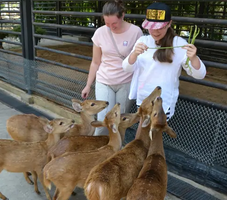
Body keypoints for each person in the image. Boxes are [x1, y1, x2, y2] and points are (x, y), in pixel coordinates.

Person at [122, 2, 206, 120]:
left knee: (154, 136)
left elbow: (200, 75)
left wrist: (193, 58)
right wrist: (134, 54)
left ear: (169, 24)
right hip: (143, 99)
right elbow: (126, 68)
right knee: (142, 135)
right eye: (151, 27)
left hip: (163, 103)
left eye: (160, 28)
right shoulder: (142, 41)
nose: (155, 32)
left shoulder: (179, 44)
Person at [81, 0, 143, 135]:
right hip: (105, 80)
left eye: (114, 23)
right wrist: (88, 85)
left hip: (126, 82)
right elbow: (95, 62)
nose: (110, 27)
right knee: (103, 120)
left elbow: (139, 60)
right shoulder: (100, 33)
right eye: (107, 23)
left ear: (123, 16)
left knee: (120, 121)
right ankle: (98, 150)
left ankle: (116, 151)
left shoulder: (135, 32)